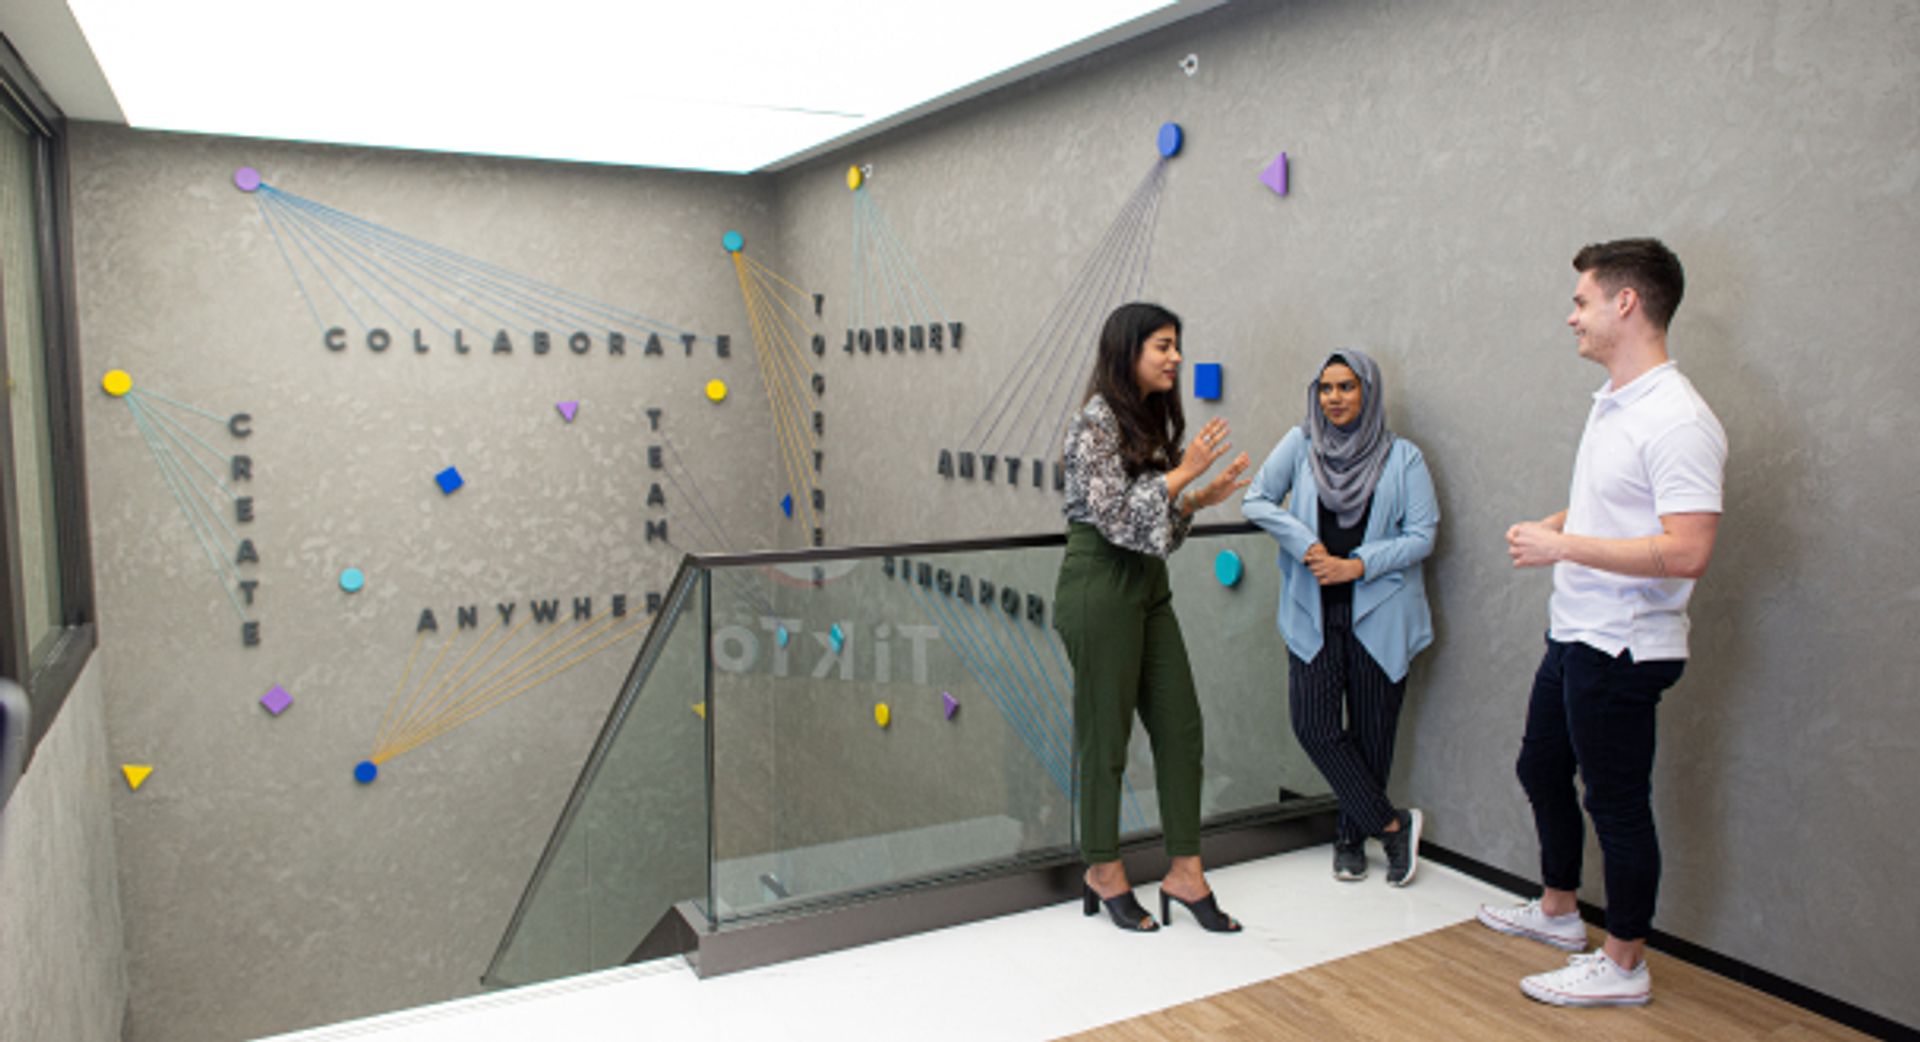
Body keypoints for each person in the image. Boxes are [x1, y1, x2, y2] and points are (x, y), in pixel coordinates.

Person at [1479, 238, 1726, 1008]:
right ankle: (1559, 912)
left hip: (1624, 647)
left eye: (1582, 301)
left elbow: (1687, 550)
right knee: (1540, 767)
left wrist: (1562, 543)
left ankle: (1623, 964)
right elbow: (1619, 511)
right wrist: (1559, 524)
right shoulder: (1616, 402)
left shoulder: (1680, 420)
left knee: (1615, 804)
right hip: (1576, 630)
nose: (1570, 316)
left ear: (1627, 303)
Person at [1055, 301, 1251, 933]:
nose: (1175, 357)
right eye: (1163, 346)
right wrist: (1183, 473)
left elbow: (1155, 536)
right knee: (1105, 738)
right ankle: (1102, 867)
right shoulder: (1094, 423)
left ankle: (1186, 873)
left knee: (1181, 727)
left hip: (1147, 583)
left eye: (1177, 345)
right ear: (1128, 351)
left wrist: (1195, 496)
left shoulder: (1148, 417)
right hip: (1098, 585)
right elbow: (1113, 519)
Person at [1241, 350, 1437, 887]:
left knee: (1373, 735)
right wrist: (1307, 547)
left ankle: (1351, 839)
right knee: (1316, 726)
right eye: (1326, 388)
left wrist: (1355, 566)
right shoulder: (1301, 444)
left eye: (1346, 387)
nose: (1334, 399)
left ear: (1368, 392)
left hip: (1381, 614)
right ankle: (1393, 826)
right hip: (1313, 613)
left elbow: (1423, 537)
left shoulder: (1405, 459)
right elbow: (1256, 500)